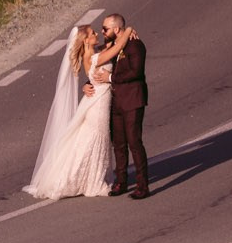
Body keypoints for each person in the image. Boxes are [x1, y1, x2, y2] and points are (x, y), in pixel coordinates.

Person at [23, 22, 134, 201]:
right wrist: (128, 29)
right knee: (96, 140)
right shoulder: (93, 56)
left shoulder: (93, 52)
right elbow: (119, 46)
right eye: (92, 33)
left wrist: (87, 84)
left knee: (92, 140)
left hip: (98, 99)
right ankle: (90, 181)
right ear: (85, 40)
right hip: (98, 104)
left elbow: (112, 46)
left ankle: (90, 177)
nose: (96, 33)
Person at [97, 12, 150, 197]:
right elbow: (97, 65)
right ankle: (121, 182)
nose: (102, 31)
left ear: (116, 29)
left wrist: (110, 78)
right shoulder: (110, 47)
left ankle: (143, 185)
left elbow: (136, 72)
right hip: (116, 102)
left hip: (133, 100)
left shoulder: (135, 45)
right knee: (118, 144)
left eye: (105, 28)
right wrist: (89, 84)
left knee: (134, 142)